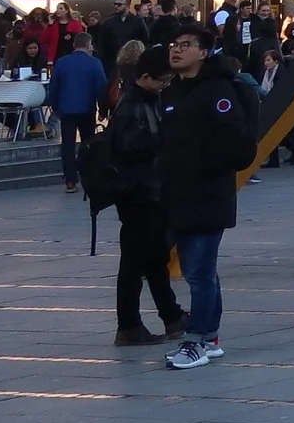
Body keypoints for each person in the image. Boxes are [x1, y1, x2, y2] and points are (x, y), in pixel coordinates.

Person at [157, 23, 260, 369]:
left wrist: (197, 164)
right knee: (200, 270)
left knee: (199, 272)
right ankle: (209, 336)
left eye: (185, 44)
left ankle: (197, 339)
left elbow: (232, 141)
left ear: (203, 52)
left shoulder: (218, 90)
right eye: (173, 43)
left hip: (207, 193)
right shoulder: (175, 90)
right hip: (180, 193)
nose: (176, 49)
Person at [105, 46, 189, 344]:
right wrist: (164, 139)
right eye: (161, 81)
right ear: (144, 77)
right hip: (138, 195)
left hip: (153, 192)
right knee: (134, 262)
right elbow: (130, 148)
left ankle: (171, 315)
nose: (165, 86)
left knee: (155, 259)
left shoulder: (150, 100)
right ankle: (128, 324)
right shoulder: (131, 105)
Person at [46, 32, 109, 195]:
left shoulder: (61, 62)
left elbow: (53, 87)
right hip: (87, 109)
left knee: (67, 145)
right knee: (88, 144)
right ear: (89, 45)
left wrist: (55, 107)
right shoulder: (94, 63)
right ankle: (89, 176)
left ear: (74, 45)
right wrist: (103, 110)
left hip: (66, 109)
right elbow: (101, 88)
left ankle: (70, 180)